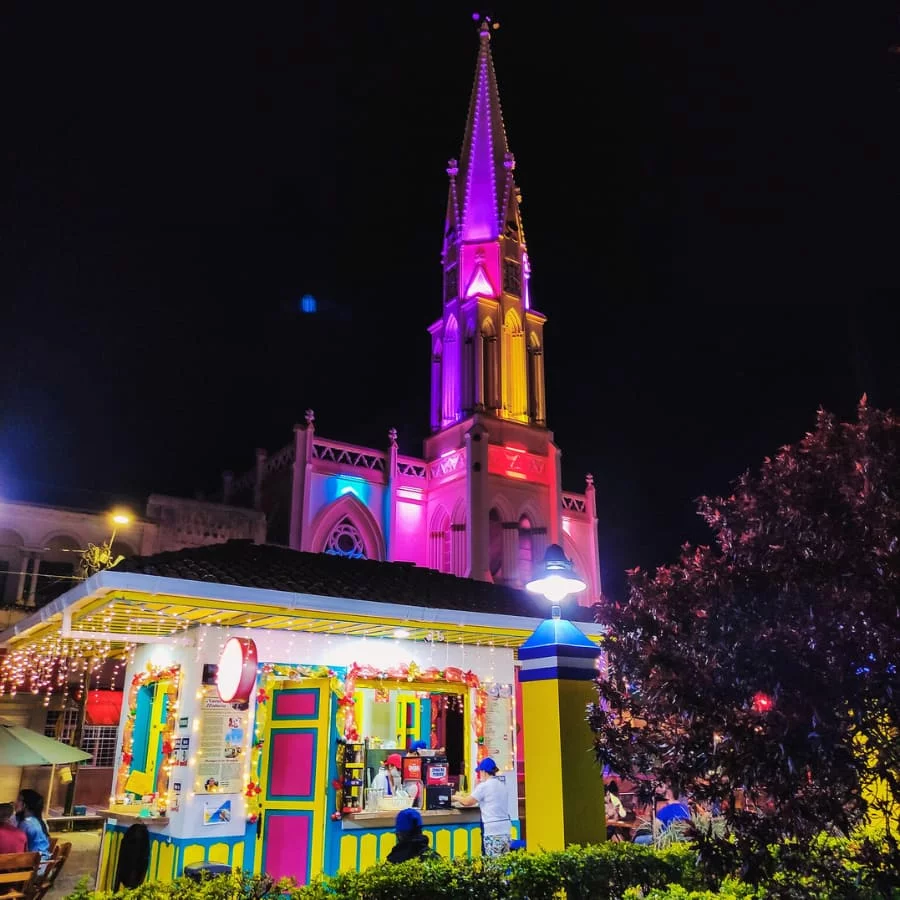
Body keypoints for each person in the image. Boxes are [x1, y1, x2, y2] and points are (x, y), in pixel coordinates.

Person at [452, 757, 511, 857]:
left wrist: (454, 797)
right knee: (504, 862)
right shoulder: (502, 785)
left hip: (492, 831)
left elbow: (467, 802)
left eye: (480, 772)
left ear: (484, 771)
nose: (480, 774)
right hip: (506, 829)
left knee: (492, 865)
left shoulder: (484, 786)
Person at [16, 789, 51, 859]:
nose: (15, 803)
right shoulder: (40, 821)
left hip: (33, 863)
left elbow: (17, 845)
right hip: (45, 862)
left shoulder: (25, 824)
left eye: (19, 800)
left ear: (25, 805)